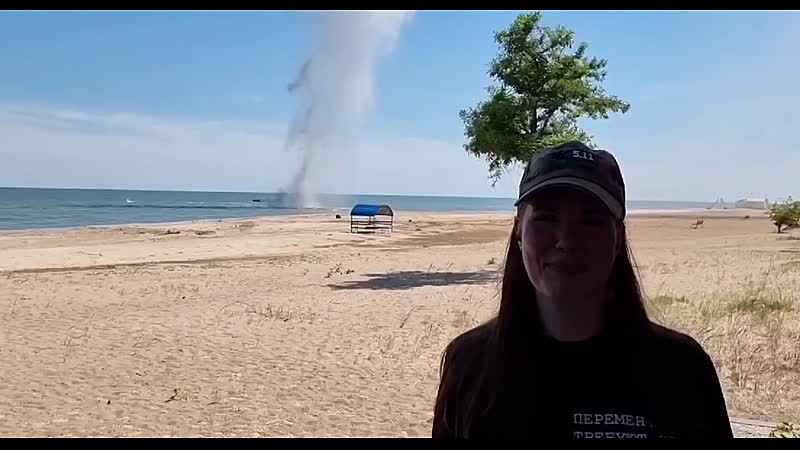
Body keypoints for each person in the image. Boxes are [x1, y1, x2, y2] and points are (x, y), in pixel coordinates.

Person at [432, 141, 733, 439]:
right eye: (546, 219)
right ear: (518, 230)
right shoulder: (470, 363)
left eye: (590, 221)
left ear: (618, 238)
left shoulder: (682, 368)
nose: (566, 241)